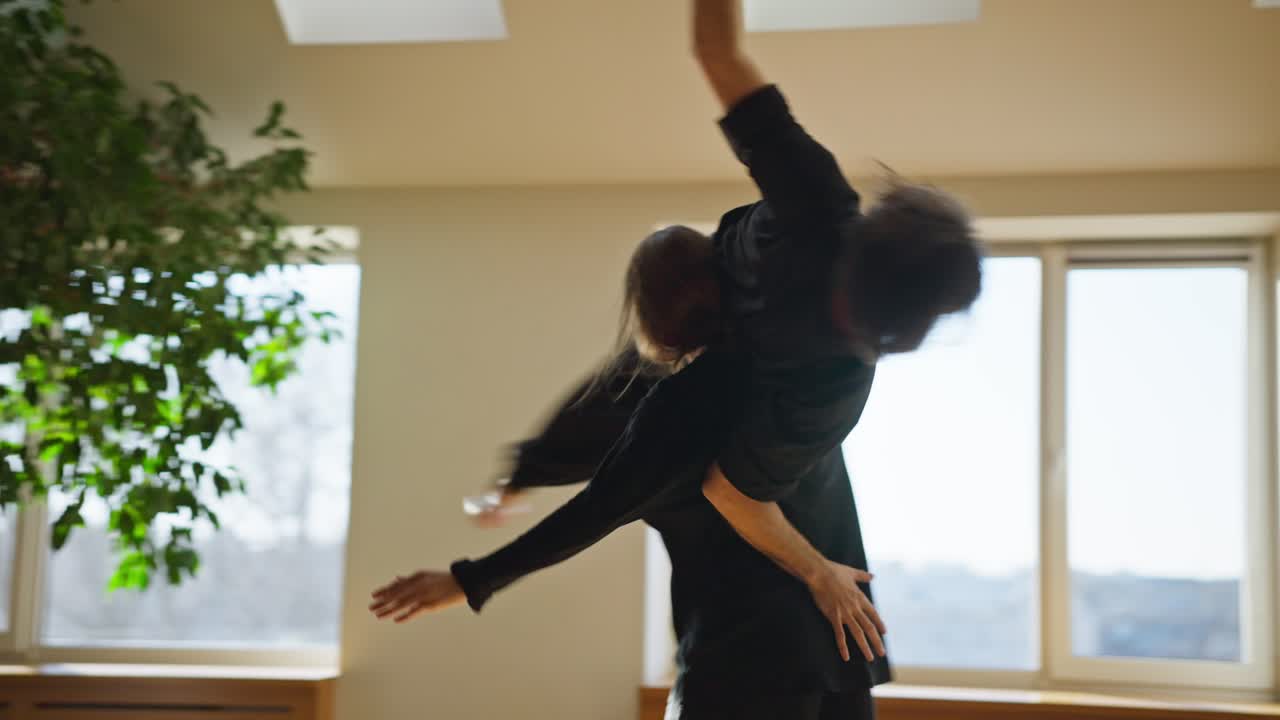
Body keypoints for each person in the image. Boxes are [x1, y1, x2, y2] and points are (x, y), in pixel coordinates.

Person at [371, 1, 982, 717]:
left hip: (749, 660)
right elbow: (610, 435)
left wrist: (472, 574)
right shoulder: (822, 380)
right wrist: (501, 515)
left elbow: (633, 491)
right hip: (831, 651)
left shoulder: (808, 241)